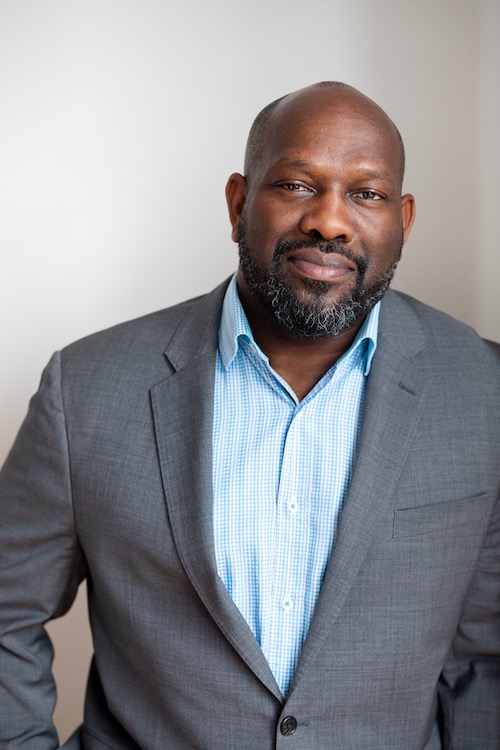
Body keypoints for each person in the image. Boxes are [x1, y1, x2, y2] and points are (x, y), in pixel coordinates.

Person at [0, 81, 498, 750]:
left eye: (367, 194)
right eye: (296, 185)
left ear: (403, 219)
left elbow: (484, 660)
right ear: (238, 204)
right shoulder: (85, 388)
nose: (329, 221)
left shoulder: (483, 389)